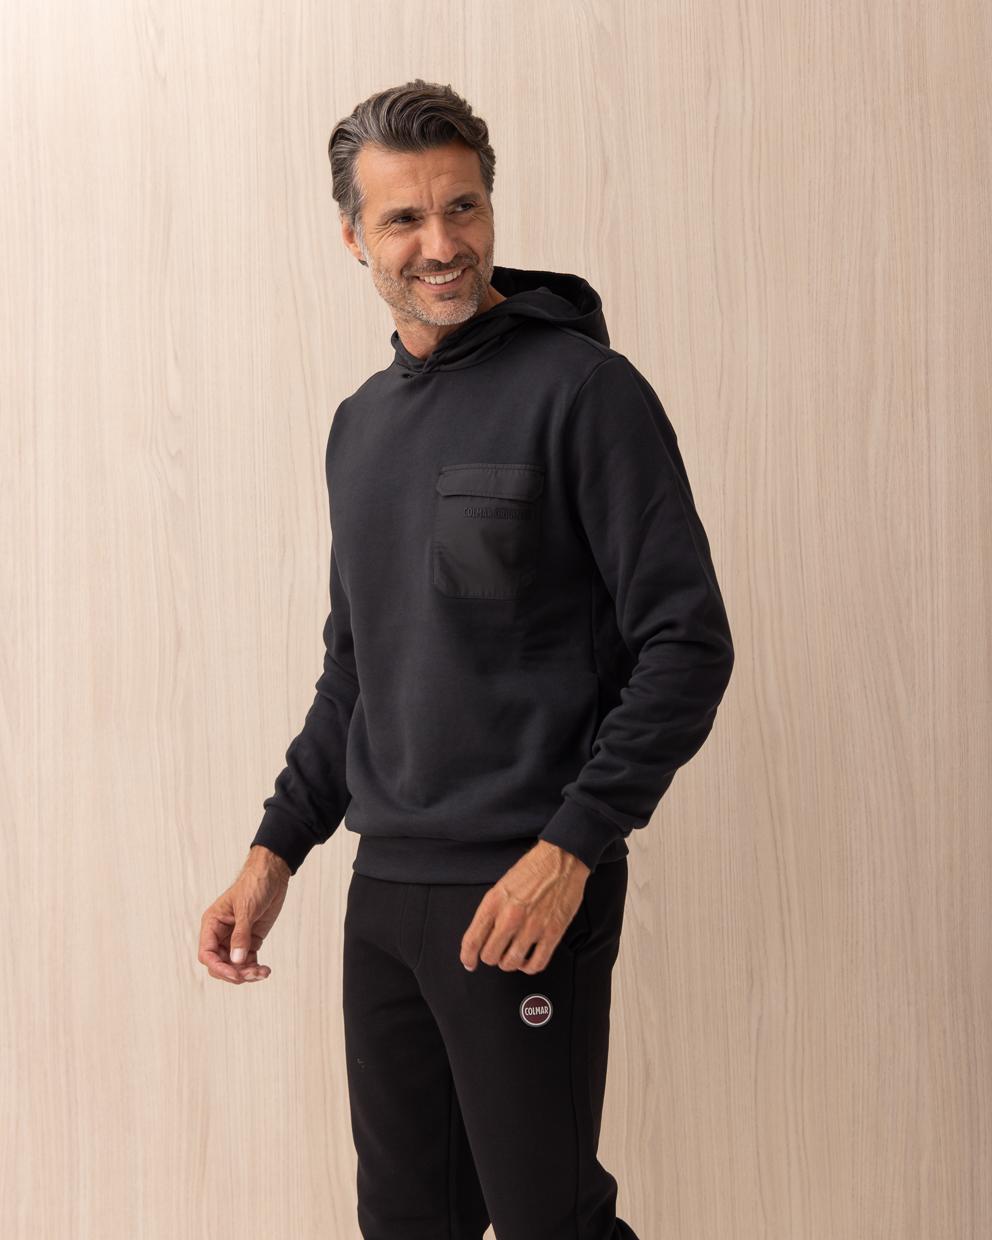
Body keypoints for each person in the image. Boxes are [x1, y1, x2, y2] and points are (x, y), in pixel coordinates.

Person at [199, 78, 735, 1240]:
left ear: (491, 208)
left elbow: (686, 644)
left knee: (549, 1221)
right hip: (384, 897)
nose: (440, 245)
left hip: (520, 889)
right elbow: (355, 673)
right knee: (405, 1226)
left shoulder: (583, 393)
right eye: (403, 218)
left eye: (462, 207)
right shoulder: (360, 426)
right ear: (353, 236)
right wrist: (273, 852)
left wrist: (571, 847)